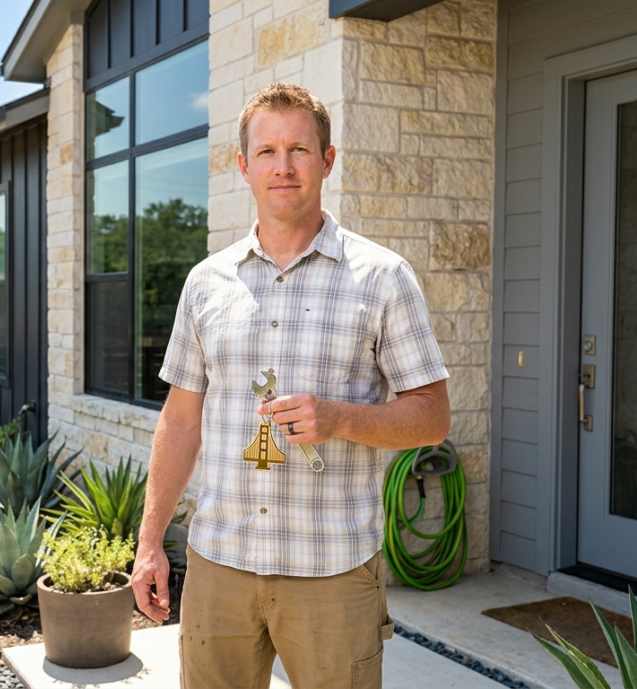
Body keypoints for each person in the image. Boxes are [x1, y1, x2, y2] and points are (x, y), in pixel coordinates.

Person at [131, 83, 451, 689]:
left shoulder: (384, 278)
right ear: (243, 165)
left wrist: (341, 419)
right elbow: (179, 420)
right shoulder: (206, 283)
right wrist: (150, 542)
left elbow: (432, 417)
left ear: (327, 161)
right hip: (218, 569)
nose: (283, 166)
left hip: (331, 575)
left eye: (300, 149)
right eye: (268, 151)